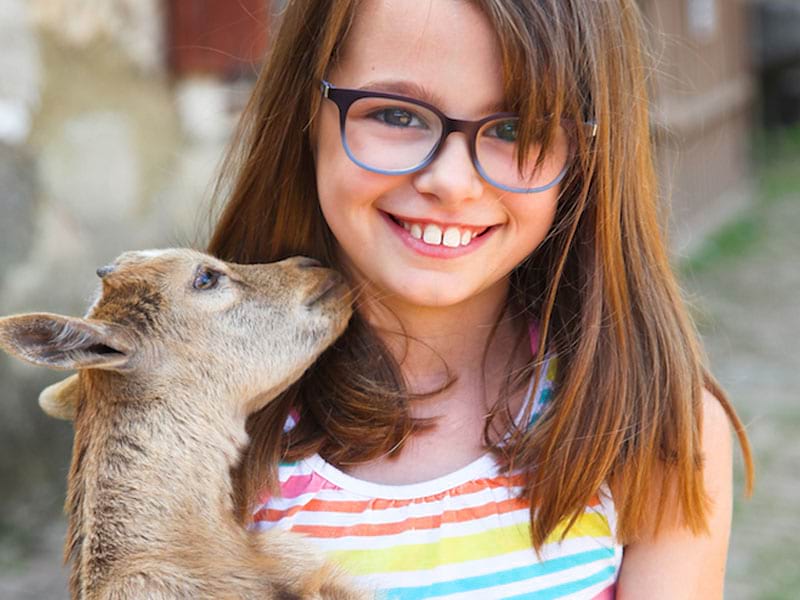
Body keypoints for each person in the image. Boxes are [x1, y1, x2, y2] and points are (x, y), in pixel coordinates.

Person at [207, 0, 754, 597]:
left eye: (516, 128)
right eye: (395, 113)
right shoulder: (196, 423)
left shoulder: (655, 425)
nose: (451, 181)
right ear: (305, 111)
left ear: (587, 156)